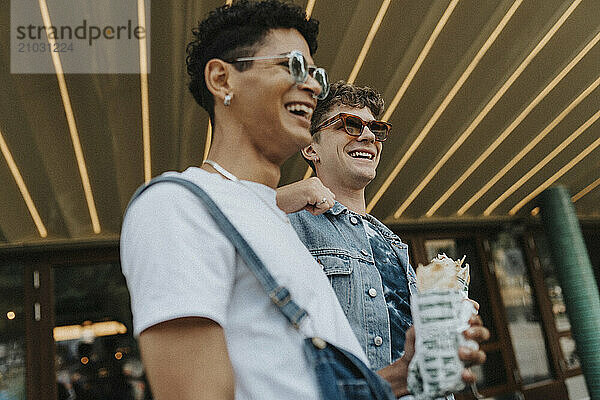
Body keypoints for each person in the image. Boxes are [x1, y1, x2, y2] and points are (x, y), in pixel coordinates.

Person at [120, 2, 391, 399]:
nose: (315, 86)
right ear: (221, 78)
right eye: (291, 65)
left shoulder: (277, 219)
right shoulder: (177, 206)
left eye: (316, 74)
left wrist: (407, 373)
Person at [276, 80, 489, 397]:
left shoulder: (390, 242)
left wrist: (448, 323)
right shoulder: (287, 225)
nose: (367, 136)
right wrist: (281, 198)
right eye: (350, 124)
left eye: (375, 129)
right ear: (310, 146)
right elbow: (218, 225)